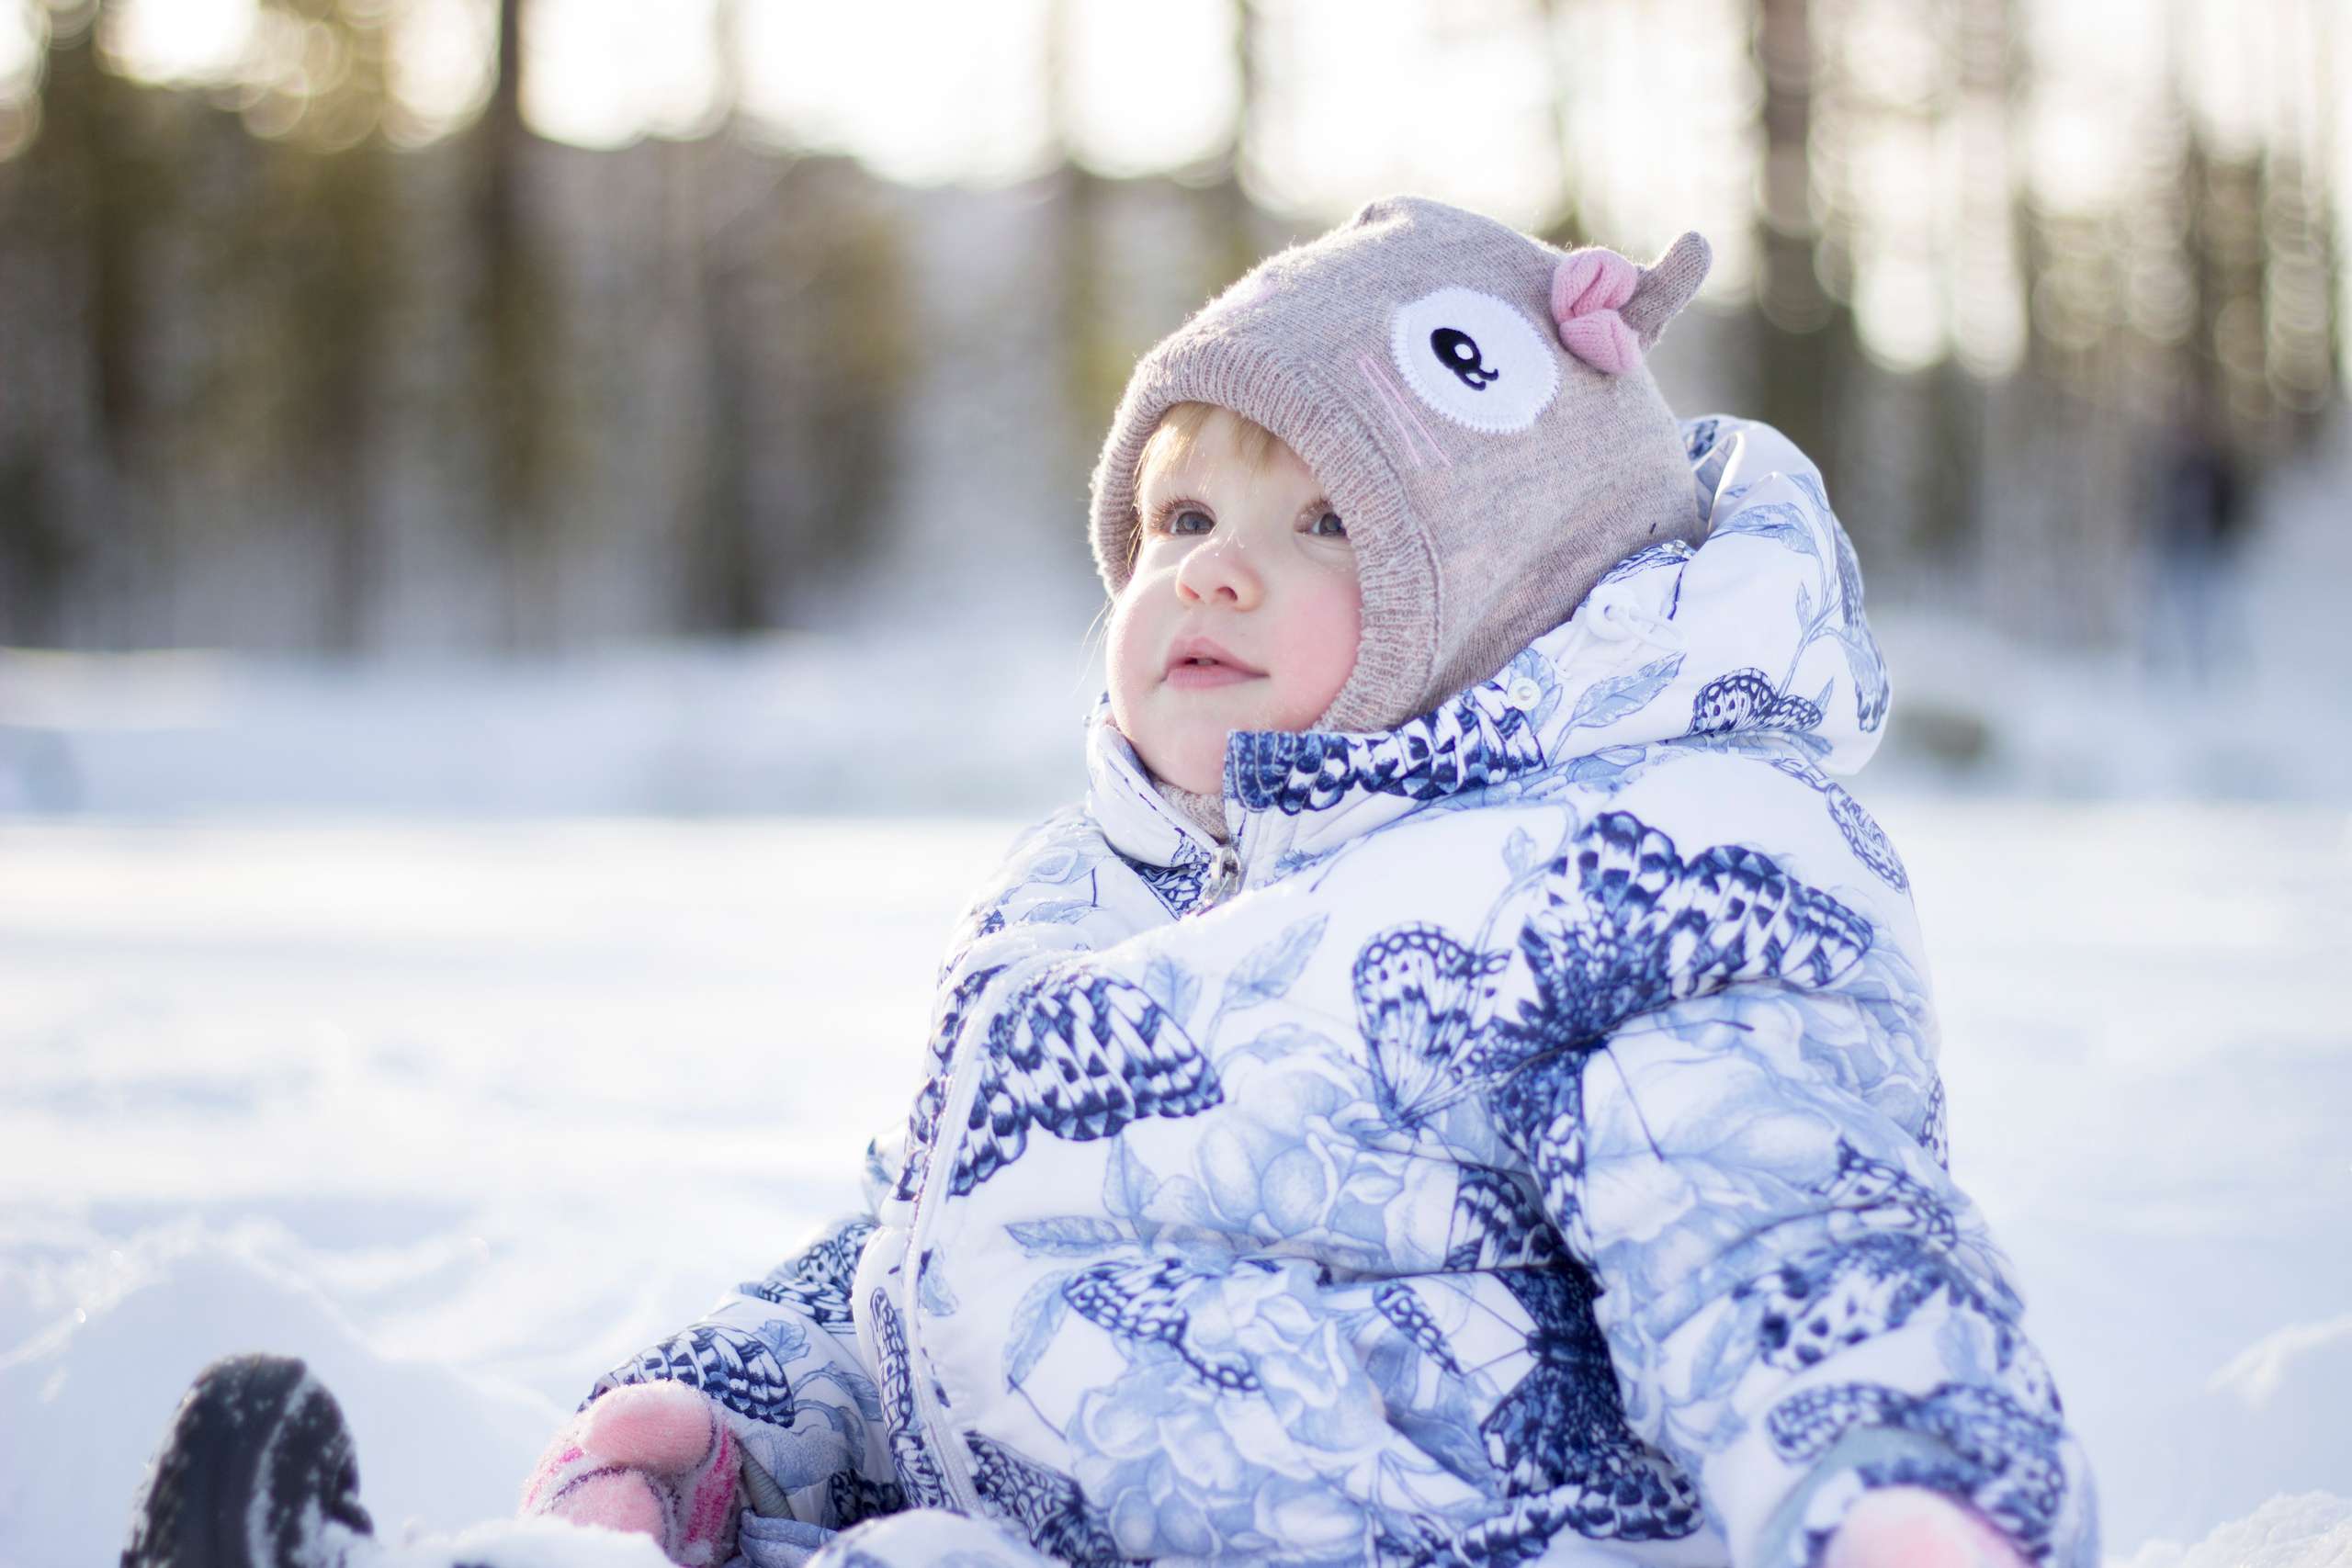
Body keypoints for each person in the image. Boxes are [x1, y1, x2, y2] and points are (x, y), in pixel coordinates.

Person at [125, 197, 2094, 1568]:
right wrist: (726, 1410)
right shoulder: (1111, 901)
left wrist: (1899, 1500)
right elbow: (941, 1248)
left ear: (1514, 598)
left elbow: (1785, 1219)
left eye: (1324, 520)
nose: (1210, 569)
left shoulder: (1636, 875)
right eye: (1178, 514)